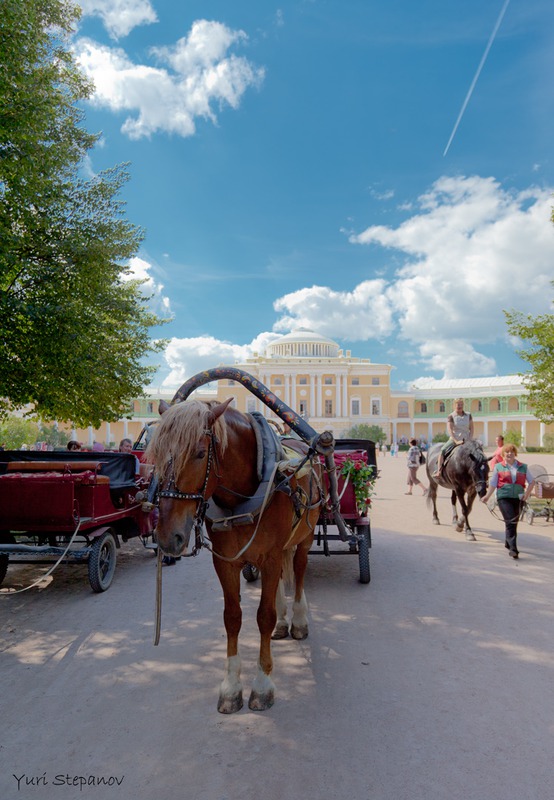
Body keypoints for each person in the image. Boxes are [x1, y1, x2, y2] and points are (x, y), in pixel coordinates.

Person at [481, 444, 534, 559]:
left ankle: (507, 542)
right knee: (510, 520)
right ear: (503, 455)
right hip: (503, 497)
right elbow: (493, 483)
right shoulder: (498, 467)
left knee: (513, 521)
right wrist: (487, 496)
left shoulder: (523, 467)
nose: (509, 454)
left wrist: (527, 494)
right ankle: (513, 549)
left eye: (512, 452)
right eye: (507, 452)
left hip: (519, 498)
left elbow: (532, 482)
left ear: (515, 454)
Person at [433, 398, 474, 477]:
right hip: (455, 439)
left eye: (461, 404)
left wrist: (470, 439)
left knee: (478, 452)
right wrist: (456, 441)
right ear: (454, 405)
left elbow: (471, 428)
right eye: (458, 404)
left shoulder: (468, 415)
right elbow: (450, 430)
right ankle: (439, 471)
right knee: (442, 451)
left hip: (467, 439)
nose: (460, 406)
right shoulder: (451, 416)